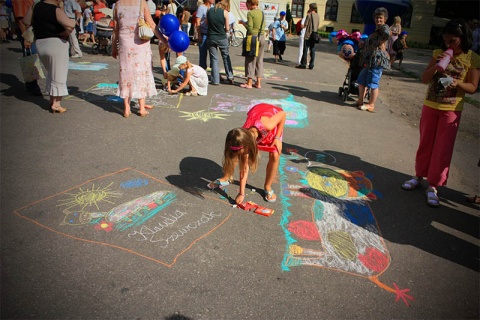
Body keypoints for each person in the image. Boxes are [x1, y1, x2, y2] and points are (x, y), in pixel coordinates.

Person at [401, 19, 480, 207]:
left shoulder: (472, 58)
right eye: (445, 40)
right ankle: (418, 176)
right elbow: (423, 79)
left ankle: (434, 186)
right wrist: (436, 67)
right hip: (431, 104)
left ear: (462, 38)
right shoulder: (438, 53)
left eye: (452, 41)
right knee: (425, 143)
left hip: (451, 109)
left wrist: (457, 83)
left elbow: (473, 87)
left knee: (442, 149)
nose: (448, 44)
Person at [207, 103, 286, 204]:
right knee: (234, 154)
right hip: (256, 119)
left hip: (272, 125)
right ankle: (226, 177)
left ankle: (268, 186)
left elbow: (283, 114)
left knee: (275, 155)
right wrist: (241, 193)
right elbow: (244, 168)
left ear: (248, 147)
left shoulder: (268, 125)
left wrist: (277, 137)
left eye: (242, 153)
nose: (241, 157)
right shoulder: (241, 138)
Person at [111, 0, 165, 117]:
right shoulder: (142, 3)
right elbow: (152, 24)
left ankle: (126, 108)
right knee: (142, 72)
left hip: (125, 44)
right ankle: (141, 108)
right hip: (141, 44)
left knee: (126, 74)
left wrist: (114, 46)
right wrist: (164, 41)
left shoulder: (118, 4)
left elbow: (116, 29)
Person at [23, 0, 75, 113]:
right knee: (59, 74)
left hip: (40, 43)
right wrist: (66, 32)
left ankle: (52, 99)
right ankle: (56, 104)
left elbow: (26, 21)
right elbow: (71, 24)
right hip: (56, 43)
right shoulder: (55, 10)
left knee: (51, 72)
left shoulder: (35, 6)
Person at [355, 7, 390, 112]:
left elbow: (387, 33)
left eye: (380, 18)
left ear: (385, 19)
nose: (378, 20)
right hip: (370, 61)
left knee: (373, 83)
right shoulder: (376, 31)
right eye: (376, 18)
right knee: (361, 80)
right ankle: (360, 100)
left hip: (377, 61)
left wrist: (383, 39)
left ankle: (371, 104)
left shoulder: (383, 29)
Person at [12, 0, 43, 95]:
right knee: (30, 58)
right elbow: (20, 19)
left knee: (32, 57)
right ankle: (32, 86)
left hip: (32, 31)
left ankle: (32, 85)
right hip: (28, 32)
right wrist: (26, 37)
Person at [239, 0, 265, 89]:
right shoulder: (262, 13)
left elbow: (250, 28)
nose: (247, 7)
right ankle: (258, 82)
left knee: (250, 59)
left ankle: (249, 82)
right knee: (259, 60)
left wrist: (243, 23)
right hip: (262, 37)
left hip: (253, 38)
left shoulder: (250, 13)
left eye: (247, 5)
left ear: (250, 4)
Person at [206, 0, 233, 85]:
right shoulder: (225, 12)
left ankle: (215, 80)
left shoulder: (209, 10)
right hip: (221, 37)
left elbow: (207, 23)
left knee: (214, 59)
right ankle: (230, 76)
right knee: (226, 57)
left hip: (211, 37)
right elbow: (227, 28)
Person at [296, 3, 319, 69]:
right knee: (312, 50)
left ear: (311, 8)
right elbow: (317, 25)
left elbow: (305, 25)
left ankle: (303, 64)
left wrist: (300, 27)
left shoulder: (309, 15)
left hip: (308, 34)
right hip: (314, 34)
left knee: (305, 50)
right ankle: (311, 65)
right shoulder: (318, 16)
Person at [195, 0, 214, 69]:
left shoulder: (213, 7)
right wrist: (199, 34)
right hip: (203, 33)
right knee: (203, 54)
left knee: (213, 55)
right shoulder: (201, 8)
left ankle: (214, 72)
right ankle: (202, 71)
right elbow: (198, 21)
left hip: (212, 34)